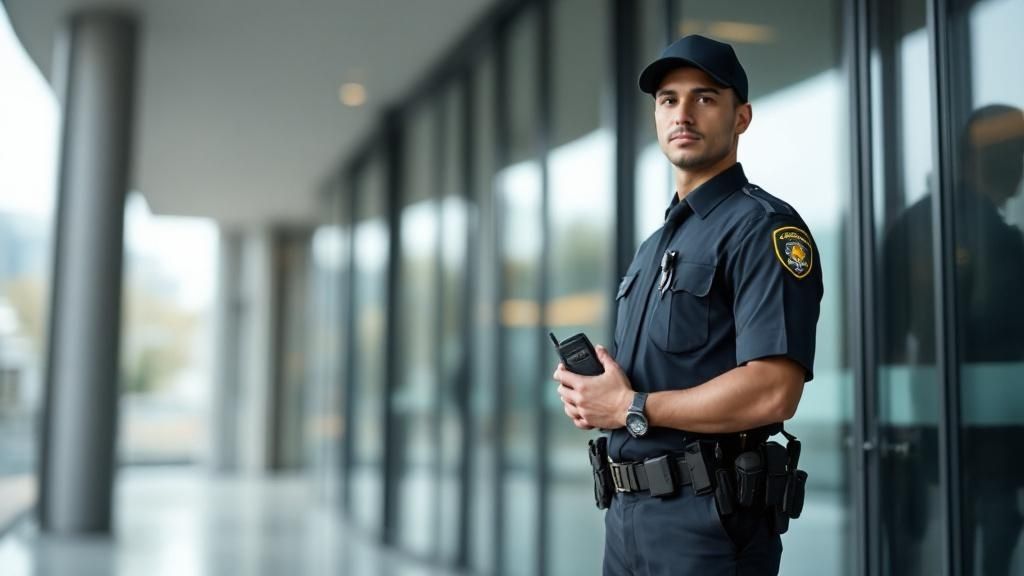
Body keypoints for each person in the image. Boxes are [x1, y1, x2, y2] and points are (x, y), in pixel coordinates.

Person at [552, 35, 823, 575]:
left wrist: (630, 407)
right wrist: (596, 395)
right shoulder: (656, 245)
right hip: (627, 518)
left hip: (707, 526)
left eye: (704, 98)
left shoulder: (763, 228)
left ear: (741, 117)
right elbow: (649, 380)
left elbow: (775, 390)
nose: (683, 113)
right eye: (668, 100)